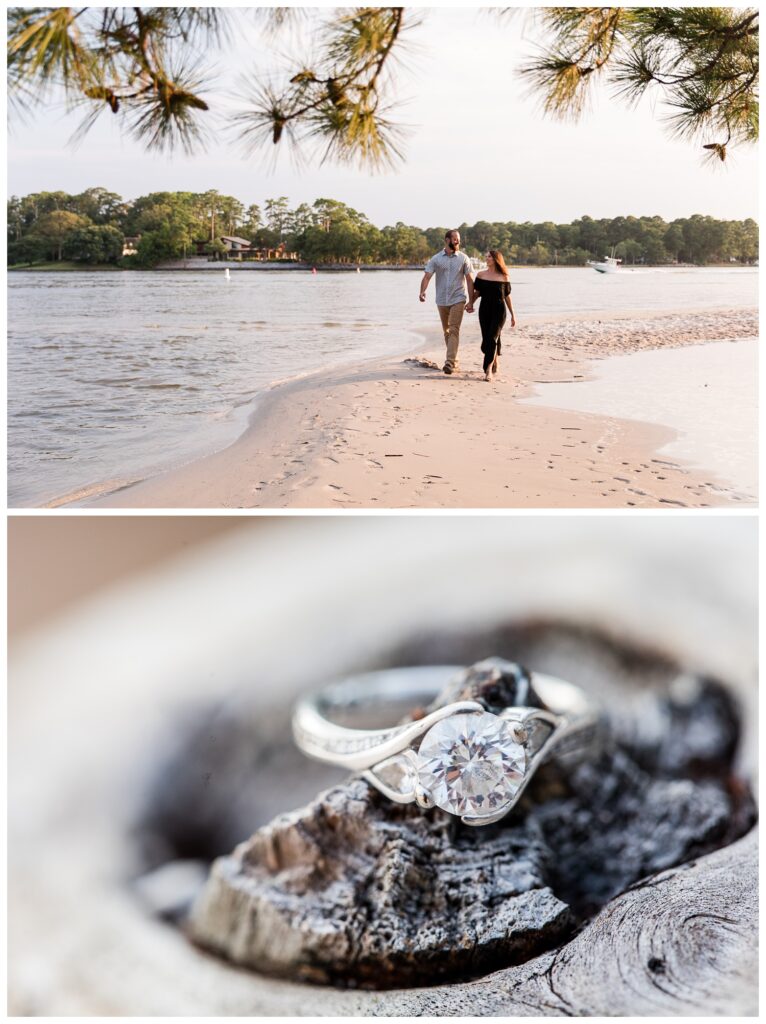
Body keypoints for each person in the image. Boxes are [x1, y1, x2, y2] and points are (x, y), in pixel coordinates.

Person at [419, 229, 474, 375]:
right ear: (447, 240)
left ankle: (449, 362)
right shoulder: (436, 259)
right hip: (442, 300)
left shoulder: (464, 259)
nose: (457, 241)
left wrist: (471, 301)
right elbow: (427, 277)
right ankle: (454, 361)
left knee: (454, 329)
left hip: (458, 299)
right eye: (455, 238)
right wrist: (422, 292)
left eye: (459, 239)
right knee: (447, 331)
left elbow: (469, 280)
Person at [467, 250, 516, 381]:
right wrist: (470, 303)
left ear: (495, 259)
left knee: (492, 337)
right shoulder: (481, 275)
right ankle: (494, 358)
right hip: (484, 310)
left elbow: (507, 296)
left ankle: (488, 370)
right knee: (487, 339)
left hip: (499, 311)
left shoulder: (504, 277)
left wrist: (512, 314)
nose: (486, 258)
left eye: (489, 256)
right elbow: (477, 292)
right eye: (486, 256)